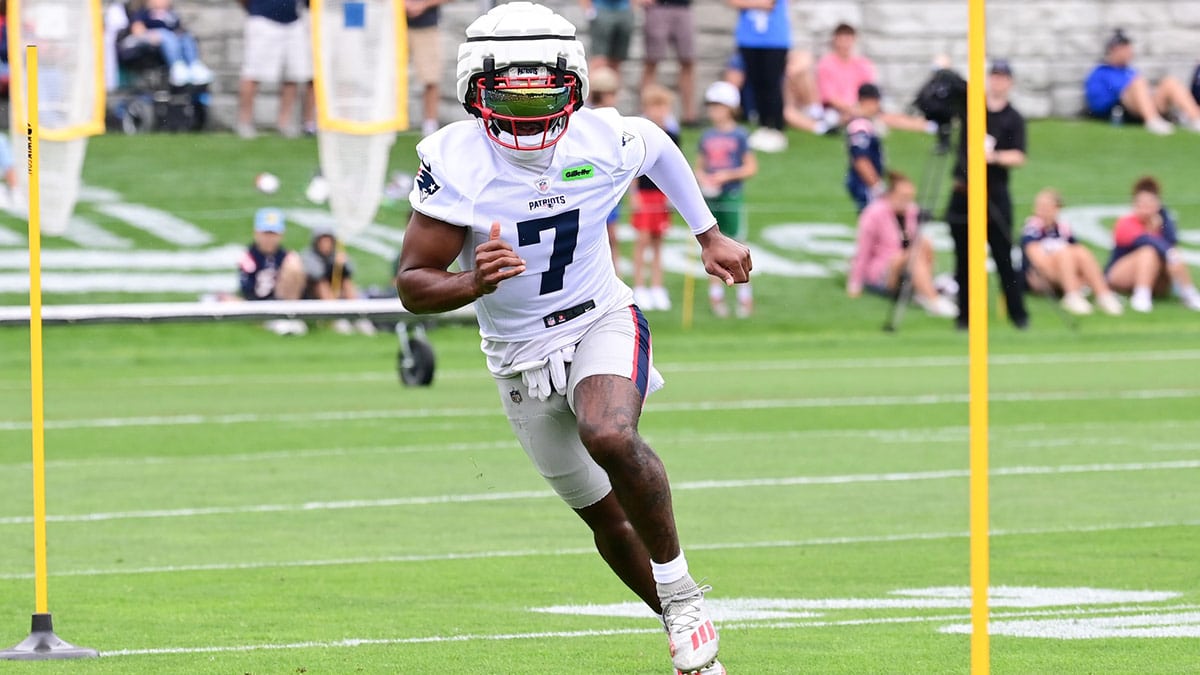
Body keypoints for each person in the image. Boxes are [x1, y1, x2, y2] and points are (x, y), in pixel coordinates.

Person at [394, 5, 750, 673]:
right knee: (606, 519)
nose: (528, 118)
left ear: (575, 86)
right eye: (508, 97)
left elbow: (660, 147)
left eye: (545, 96)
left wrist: (708, 233)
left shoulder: (601, 138)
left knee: (609, 433)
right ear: (476, 91)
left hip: (599, 316)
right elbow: (412, 282)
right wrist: (472, 282)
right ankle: (688, 641)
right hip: (516, 355)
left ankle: (680, 588)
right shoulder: (457, 160)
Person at [944, 59, 1029, 330]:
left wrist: (993, 157)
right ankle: (965, 316)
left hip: (995, 192)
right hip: (965, 191)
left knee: (1004, 257)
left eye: (1003, 77)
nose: (998, 81)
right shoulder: (973, 108)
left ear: (1010, 82)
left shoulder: (1013, 117)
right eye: (995, 76)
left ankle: (1018, 315)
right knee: (964, 259)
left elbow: (1019, 155)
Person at [847, 171, 958, 318]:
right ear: (891, 194)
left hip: (909, 264)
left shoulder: (911, 212)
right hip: (884, 269)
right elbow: (863, 250)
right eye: (904, 197)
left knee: (924, 243)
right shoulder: (874, 214)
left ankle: (924, 289)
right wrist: (855, 283)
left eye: (910, 198)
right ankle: (933, 300)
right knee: (912, 254)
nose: (908, 202)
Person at [695, 80, 757, 319]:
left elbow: (750, 167)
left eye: (718, 106)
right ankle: (716, 296)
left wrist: (726, 176)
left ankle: (744, 297)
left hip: (730, 194)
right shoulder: (707, 135)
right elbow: (699, 166)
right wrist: (705, 178)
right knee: (712, 243)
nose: (714, 111)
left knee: (737, 242)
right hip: (712, 197)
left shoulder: (739, 135)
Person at [1020, 188, 1124, 316]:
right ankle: (1072, 295)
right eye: (1040, 206)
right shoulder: (1032, 229)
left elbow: (1078, 256)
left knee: (1080, 251)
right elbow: (1038, 261)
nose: (1042, 210)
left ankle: (1103, 295)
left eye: (1047, 206)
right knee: (1065, 253)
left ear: (1057, 208)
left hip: (1066, 273)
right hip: (1040, 277)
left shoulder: (1063, 229)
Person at [1104, 176, 1200, 313]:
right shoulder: (1125, 223)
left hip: (1158, 280)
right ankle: (1141, 295)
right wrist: (1167, 250)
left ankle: (1189, 293)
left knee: (1174, 252)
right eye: (1141, 204)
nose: (1145, 208)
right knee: (1149, 252)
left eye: (1150, 203)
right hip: (1120, 276)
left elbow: (1172, 240)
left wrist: (1163, 219)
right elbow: (1145, 240)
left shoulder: (1162, 221)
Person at [1083, 29, 1200, 136]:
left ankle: (1196, 119)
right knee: (1138, 82)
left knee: (1170, 82)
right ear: (1115, 50)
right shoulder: (1101, 72)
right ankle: (1152, 121)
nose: (1130, 52)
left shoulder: (1129, 71)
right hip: (1119, 109)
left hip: (1141, 107)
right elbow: (1097, 104)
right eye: (1126, 49)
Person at [631, 84, 679, 311]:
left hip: (662, 195)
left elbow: (675, 169)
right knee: (642, 241)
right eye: (655, 106)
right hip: (645, 193)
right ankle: (639, 286)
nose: (660, 111)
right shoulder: (639, 134)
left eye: (663, 106)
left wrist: (673, 195)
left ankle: (658, 287)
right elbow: (633, 167)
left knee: (659, 241)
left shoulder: (672, 135)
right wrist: (633, 194)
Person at [236, 0, 314, 139]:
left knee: (293, 75)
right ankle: (244, 123)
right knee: (253, 73)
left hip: (294, 20)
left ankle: (284, 123)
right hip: (263, 19)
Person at [729, 0, 790, 153]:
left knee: (773, 83)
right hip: (749, 38)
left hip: (775, 39)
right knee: (756, 83)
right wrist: (757, 3)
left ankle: (777, 126)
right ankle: (763, 125)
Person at [238, 208, 308, 335]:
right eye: (266, 233)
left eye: (273, 234)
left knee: (294, 264)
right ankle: (268, 320)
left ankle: (290, 314)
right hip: (257, 302)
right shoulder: (250, 256)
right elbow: (247, 288)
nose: (269, 238)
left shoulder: (286, 256)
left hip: (281, 299)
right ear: (257, 233)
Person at [301, 229, 378, 334]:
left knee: (346, 282)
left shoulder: (337, 254)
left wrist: (343, 264)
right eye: (323, 241)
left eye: (328, 241)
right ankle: (335, 316)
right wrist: (333, 264)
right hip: (313, 295)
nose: (326, 245)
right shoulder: (308, 255)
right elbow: (316, 274)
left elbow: (351, 271)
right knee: (321, 284)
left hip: (336, 291)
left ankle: (358, 316)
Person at [125, 0, 213, 87]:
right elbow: (137, 30)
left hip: (172, 39)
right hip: (153, 39)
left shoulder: (171, 14)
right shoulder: (145, 13)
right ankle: (177, 66)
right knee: (165, 35)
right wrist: (150, 36)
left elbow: (178, 28)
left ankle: (194, 65)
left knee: (186, 37)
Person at [638, 0, 697, 126]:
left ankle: (689, 117)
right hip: (659, 7)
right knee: (651, 61)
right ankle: (646, 113)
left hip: (683, 7)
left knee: (688, 61)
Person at [588, 66, 624, 270]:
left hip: (605, 182)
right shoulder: (597, 119)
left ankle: (615, 274)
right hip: (599, 184)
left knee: (611, 236)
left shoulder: (605, 118)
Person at [816, 23, 876, 128]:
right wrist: (851, 109)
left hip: (859, 108)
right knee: (831, 118)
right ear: (835, 40)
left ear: (854, 40)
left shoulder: (863, 64)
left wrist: (860, 109)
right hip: (835, 110)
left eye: (847, 40)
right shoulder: (826, 64)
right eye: (841, 40)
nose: (844, 45)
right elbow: (829, 97)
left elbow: (869, 92)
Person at [406, 0, 452, 137]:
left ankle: (430, 125)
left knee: (431, 77)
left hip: (426, 26)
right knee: (387, 78)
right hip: (393, 27)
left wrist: (423, 4)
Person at [845, 83, 885, 213]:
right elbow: (861, 159)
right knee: (871, 217)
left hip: (864, 181)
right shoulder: (860, 126)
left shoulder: (866, 122)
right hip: (863, 182)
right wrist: (876, 185)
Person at [580, 0, 633, 89]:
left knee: (617, 60)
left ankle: (612, 98)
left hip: (624, 9)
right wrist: (589, 10)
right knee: (599, 59)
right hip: (601, 8)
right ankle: (594, 97)